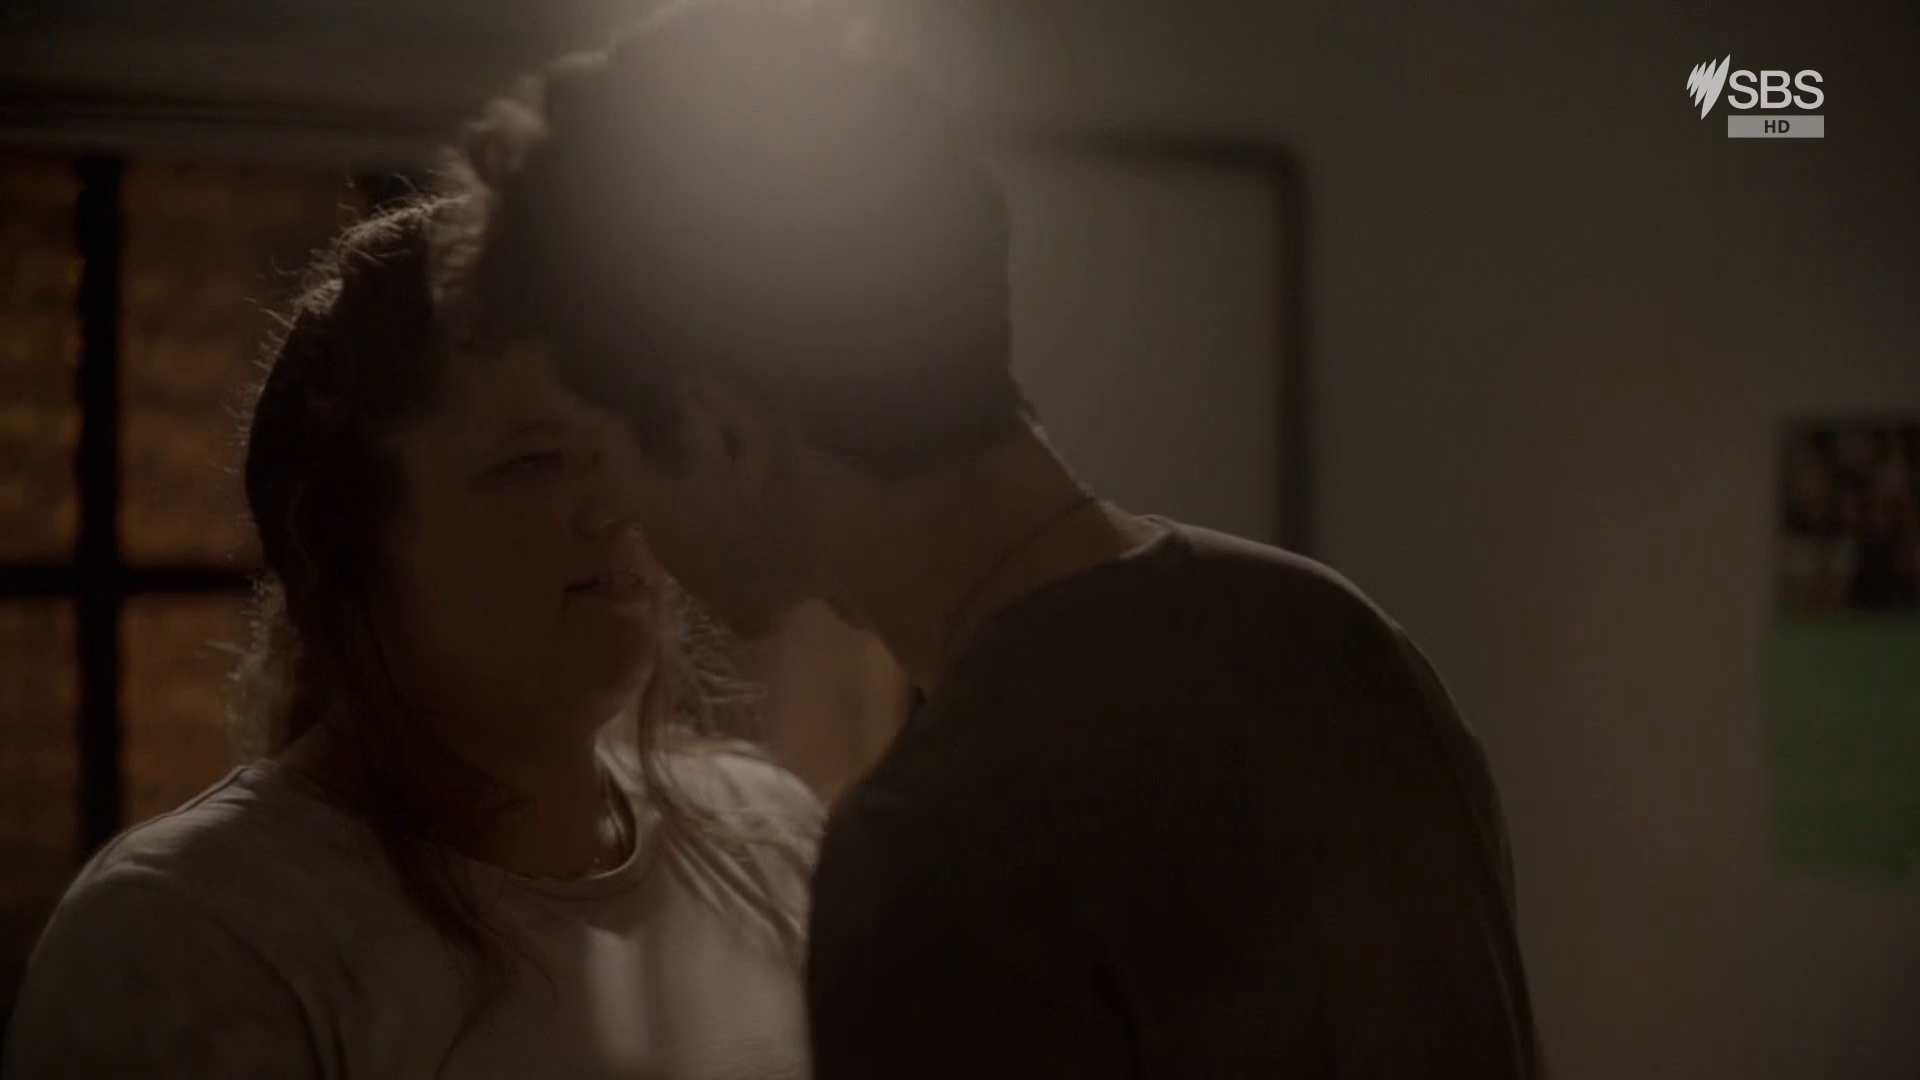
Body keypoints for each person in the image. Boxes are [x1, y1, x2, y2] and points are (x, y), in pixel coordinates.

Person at [452, 1, 1543, 1075]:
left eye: (610, 450)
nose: (619, 509)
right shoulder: (1345, 646)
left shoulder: (939, 851)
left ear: (718, 432)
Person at [2, 197, 822, 1079]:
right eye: (535, 461)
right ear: (353, 541)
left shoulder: (767, 841)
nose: (621, 504)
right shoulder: (191, 934)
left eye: (632, 449)